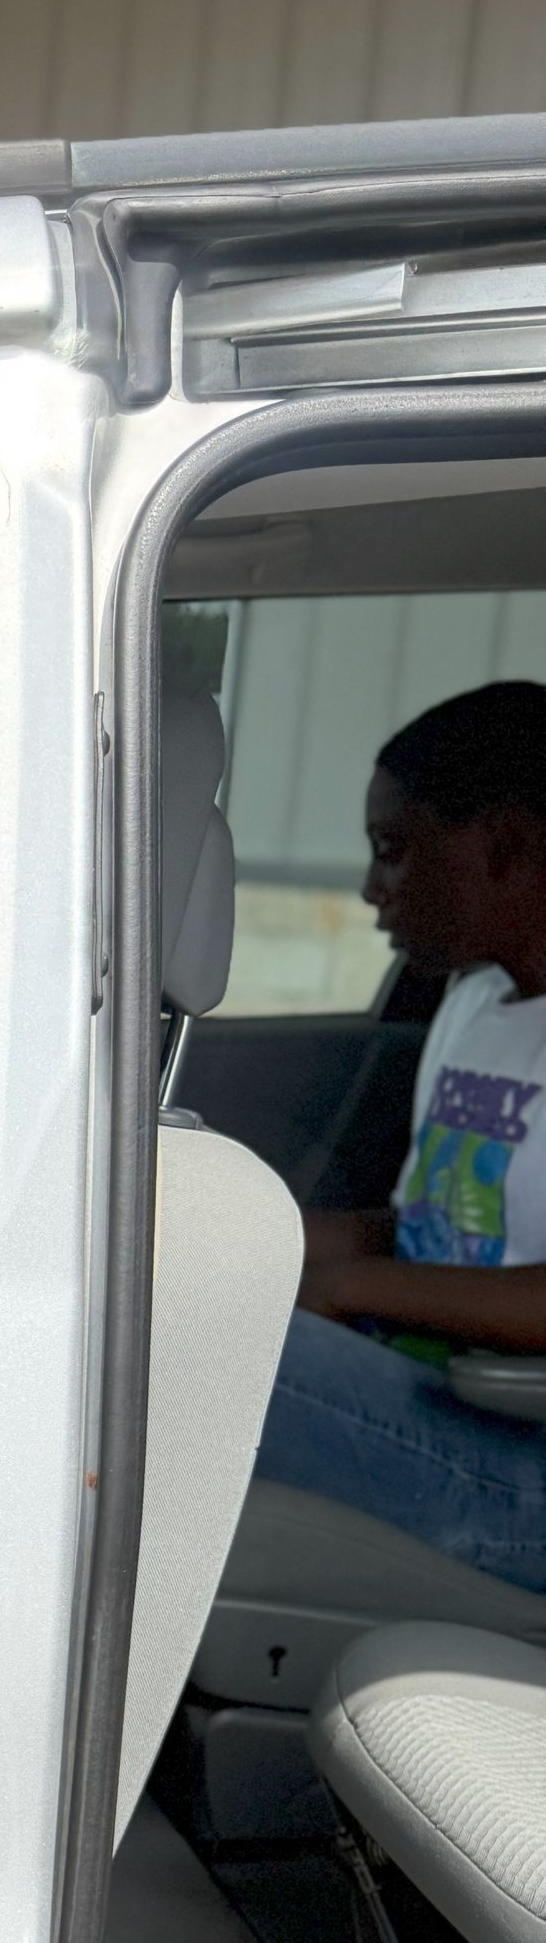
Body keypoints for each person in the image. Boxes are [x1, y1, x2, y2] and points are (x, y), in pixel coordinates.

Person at [256, 679, 546, 1587]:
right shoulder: (475, 1006)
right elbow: (427, 1231)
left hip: (522, 1462)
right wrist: (242, 1235)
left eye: (394, 850)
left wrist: (347, 1287)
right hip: (436, 1395)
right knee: (184, 1289)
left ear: (506, 847)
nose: (370, 889)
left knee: (224, 1349)